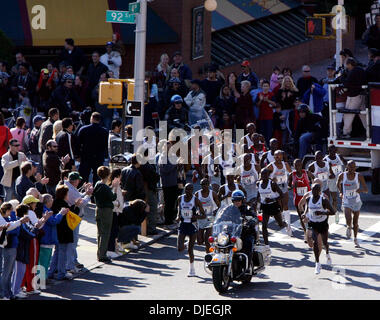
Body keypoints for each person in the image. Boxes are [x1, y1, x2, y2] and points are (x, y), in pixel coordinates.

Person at [301, 183, 335, 274]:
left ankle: (327, 253)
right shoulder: (308, 199)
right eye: (312, 190)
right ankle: (317, 263)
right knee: (315, 242)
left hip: (322, 223)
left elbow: (333, 212)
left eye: (316, 190)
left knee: (325, 242)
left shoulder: (323, 200)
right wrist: (304, 214)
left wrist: (322, 213)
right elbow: (307, 208)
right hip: (313, 223)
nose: (314, 192)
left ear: (319, 191)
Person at [48, 185, 80, 280]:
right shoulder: (63, 204)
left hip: (57, 231)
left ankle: (51, 272)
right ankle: (61, 273)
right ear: (65, 194)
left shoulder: (55, 203)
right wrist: (76, 205)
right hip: (64, 232)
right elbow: (73, 215)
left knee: (57, 252)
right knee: (62, 253)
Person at [64, 171, 92, 270]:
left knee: (73, 241)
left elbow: (78, 196)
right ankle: (70, 265)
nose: (79, 181)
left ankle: (73, 261)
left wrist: (84, 191)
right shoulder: (70, 190)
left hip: (74, 217)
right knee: (73, 242)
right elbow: (81, 203)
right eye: (78, 180)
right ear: (74, 181)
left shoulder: (69, 187)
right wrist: (88, 195)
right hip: (73, 218)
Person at [176, 183, 205, 277]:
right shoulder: (180, 198)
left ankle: (192, 270)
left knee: (190, 249)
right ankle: (185, 243)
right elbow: (179, 208)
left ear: (192, 190)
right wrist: (178, 216)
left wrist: (196, 216)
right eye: (186, 189)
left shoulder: (196, 200)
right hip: (183, 224)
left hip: (192, 225)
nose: (188, 191)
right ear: (184, 189)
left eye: (190, 189)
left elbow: (203, 215)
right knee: (180, 248)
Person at [38, 194, 68, 284]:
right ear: (47, 201)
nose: (52, 201)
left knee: (46, 260)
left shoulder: (46, 209)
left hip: (47, 239)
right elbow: (53, 221)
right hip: (46, 239)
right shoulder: (45, 210)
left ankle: (44, 277)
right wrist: (61, 214)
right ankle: (42, 279)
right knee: (44, 260)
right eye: (51, 200)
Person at [337, 161, 368, 247]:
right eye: (350, 167)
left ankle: (355, 238)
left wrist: (360, 190)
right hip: (346, 201)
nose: (351, 169)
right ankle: (348, 227)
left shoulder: (359, 176)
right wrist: (341, 192)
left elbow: (366, 189)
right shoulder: (342, 175)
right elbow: (337, 183)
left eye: (353, 167)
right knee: (348, 218)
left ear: (355, 168)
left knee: (355, 222)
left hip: (356, 201)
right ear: (347, 167)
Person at [256, 168, 288, 253]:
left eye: (265, 174)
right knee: (264, 226)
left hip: (274, 205)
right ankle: (267, 245)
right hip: (265, 206)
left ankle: (285, 224)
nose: (263, 176)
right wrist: (257, 204)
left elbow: (282, 195)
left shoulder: (273, 184)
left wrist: (272, 200)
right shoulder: (258, 183)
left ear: (268, 175)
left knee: (280, 224)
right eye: (262, 174)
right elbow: (258, 195)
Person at [93, 166, 118, 263]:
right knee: (106, 233)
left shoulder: (98, 184)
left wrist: (111, 187)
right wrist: (115, 188)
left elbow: (106, 190)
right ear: (108, 175)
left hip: (98, 209)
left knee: (99, 233)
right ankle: (103, 255)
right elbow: (112, 197)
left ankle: (99, 253)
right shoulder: (104, 187)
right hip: (106, 211)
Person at [265, 150, 292, 235]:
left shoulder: (285, 164)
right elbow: (263, 175)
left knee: (285, 205)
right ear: (274, 157)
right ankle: (281, 218)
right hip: (275, 187)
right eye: (277, 156)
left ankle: (288, 226)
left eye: (280, 156)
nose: (279, 158)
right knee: (279, 207)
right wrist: (271, 179)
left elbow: (291, 173)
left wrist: (290, 183)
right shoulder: (271, 166)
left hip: (283, 186)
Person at [78, 112, 109, 184]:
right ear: (99, 120)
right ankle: (96, 192)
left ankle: (82, 191)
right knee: (98, 176)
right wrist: (105, 155)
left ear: (91, 119)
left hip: (86, 156)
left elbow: (78, 143)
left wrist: (78, 155)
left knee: (83, 176)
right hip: (98, 157)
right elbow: (106, 145)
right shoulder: (104, 131)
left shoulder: (83, 129)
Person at [340, 58, 367, 138]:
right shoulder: (361, 70)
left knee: (348, 114)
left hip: (354, 96)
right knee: (363, 115)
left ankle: (346, 133)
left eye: (347, 65)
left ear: (349, 64)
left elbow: (346, 83)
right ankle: (369, 131)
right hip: (362, 95)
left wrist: (341, 77)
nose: (346, 67)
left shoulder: (353, 72)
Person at [288, 158, 310, 241]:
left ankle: (309, 232)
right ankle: (306, 234)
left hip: (307, 199)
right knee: (302, 217)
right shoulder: (292, 175)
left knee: (308, 216)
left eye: (299, 165)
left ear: (302, 165)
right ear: (293, 166)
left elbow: (314, 180)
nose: (298, 167)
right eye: (296, 165)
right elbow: (288, 187)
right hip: (298, 199)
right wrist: (293, 186)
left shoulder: (306, 173)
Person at [195, 178, 220, 253]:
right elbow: (194, 206)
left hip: (210, 218)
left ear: (208, 185)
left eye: (206, 184)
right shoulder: (197, 194)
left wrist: (216, 211)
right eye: (202, 184)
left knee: (207, 240)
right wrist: (195, 212)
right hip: (201, 218)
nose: (204, 186)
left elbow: (219, 205)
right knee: (199, 241)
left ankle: (208, 256)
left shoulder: (213, 194)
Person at [158, 142, 179, 226]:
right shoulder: (163, 157)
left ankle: (171, 219)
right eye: (168, 148)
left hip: (173, 182)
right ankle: (168, 220)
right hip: (167, 183)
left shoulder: (172, 156)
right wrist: (175, 164)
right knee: (168, 203)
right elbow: (165, 169)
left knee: (173, 202)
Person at [324, 145, 346, 223]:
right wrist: (329, 174)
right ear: (328, 151)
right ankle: (334, 213)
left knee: (342, 197)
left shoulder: (339, 157)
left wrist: (345, 171)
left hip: (340, 179)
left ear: (336, 151)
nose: (332, 153)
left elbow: (346, 163)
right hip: (331, 181)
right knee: (333, 199)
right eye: (330, 151)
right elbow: (323, 170)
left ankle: (338, 212)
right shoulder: (325, 160)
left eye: (334, 151)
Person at [106, 169, 124, 258]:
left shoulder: (117, 185)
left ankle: (114, 249)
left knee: (115, 231)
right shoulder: (114, 186)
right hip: (114, 211)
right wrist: (119, 204)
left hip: (116, 211)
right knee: (113, 231)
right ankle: (110, 250)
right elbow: (113, 200)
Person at [256, 80, 276, 145]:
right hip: (261, 117)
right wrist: (261, 100)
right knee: (262, 133)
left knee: (269, 133)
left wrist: (267, 100)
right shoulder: (259, 94)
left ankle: (269, 147)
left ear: (269, 87)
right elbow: (257, 105)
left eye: (267, 86)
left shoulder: (271, 94)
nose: (265, 87)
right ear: (262, 87)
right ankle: (263, 146)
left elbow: (274, 104)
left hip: (269, 117)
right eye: (264, 86)